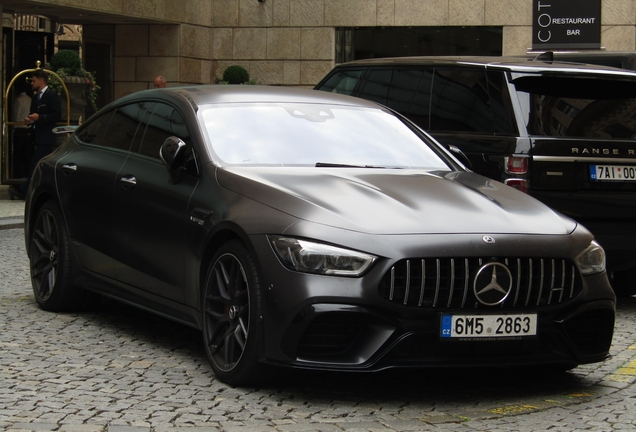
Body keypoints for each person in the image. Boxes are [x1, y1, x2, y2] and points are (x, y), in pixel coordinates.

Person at [9, 70, 62, 200]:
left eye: (33, 81)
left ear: (41, 80)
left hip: (46, 138)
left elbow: (57, 115)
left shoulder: (52, 96)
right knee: (37, 165)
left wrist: (40, 117)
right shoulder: (35, 97)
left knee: (35, 164)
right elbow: (34, 114)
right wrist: (30, 120)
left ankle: (24, 191)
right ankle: (35, 191)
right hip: (36, 137)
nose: (32, 83)